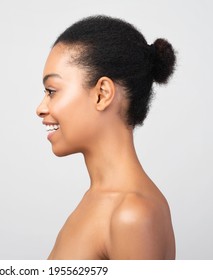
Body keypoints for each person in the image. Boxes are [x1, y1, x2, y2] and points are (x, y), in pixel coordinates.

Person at [36, 15, 177, 260]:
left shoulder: (132, 214)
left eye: (52, 91)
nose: (40, 108)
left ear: (102, 94)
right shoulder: (97, 200)